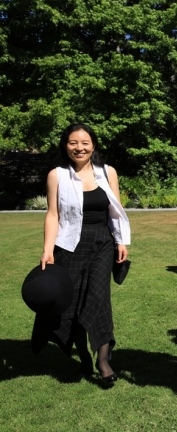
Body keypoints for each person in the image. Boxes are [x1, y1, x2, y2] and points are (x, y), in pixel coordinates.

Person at [33, 123, 131, 386]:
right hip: (69, 245)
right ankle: (84, 358)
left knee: (98, 298)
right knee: (72, 302)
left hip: (102, 243)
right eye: (73, 143)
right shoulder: (57, 175)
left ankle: (103, 360)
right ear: (65, 146)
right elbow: (53, 214)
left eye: (85, 143)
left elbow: (115, 211)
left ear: (93, 145)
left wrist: (121, 240)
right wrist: (47, 250)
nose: (79, 148)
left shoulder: (107, 172)